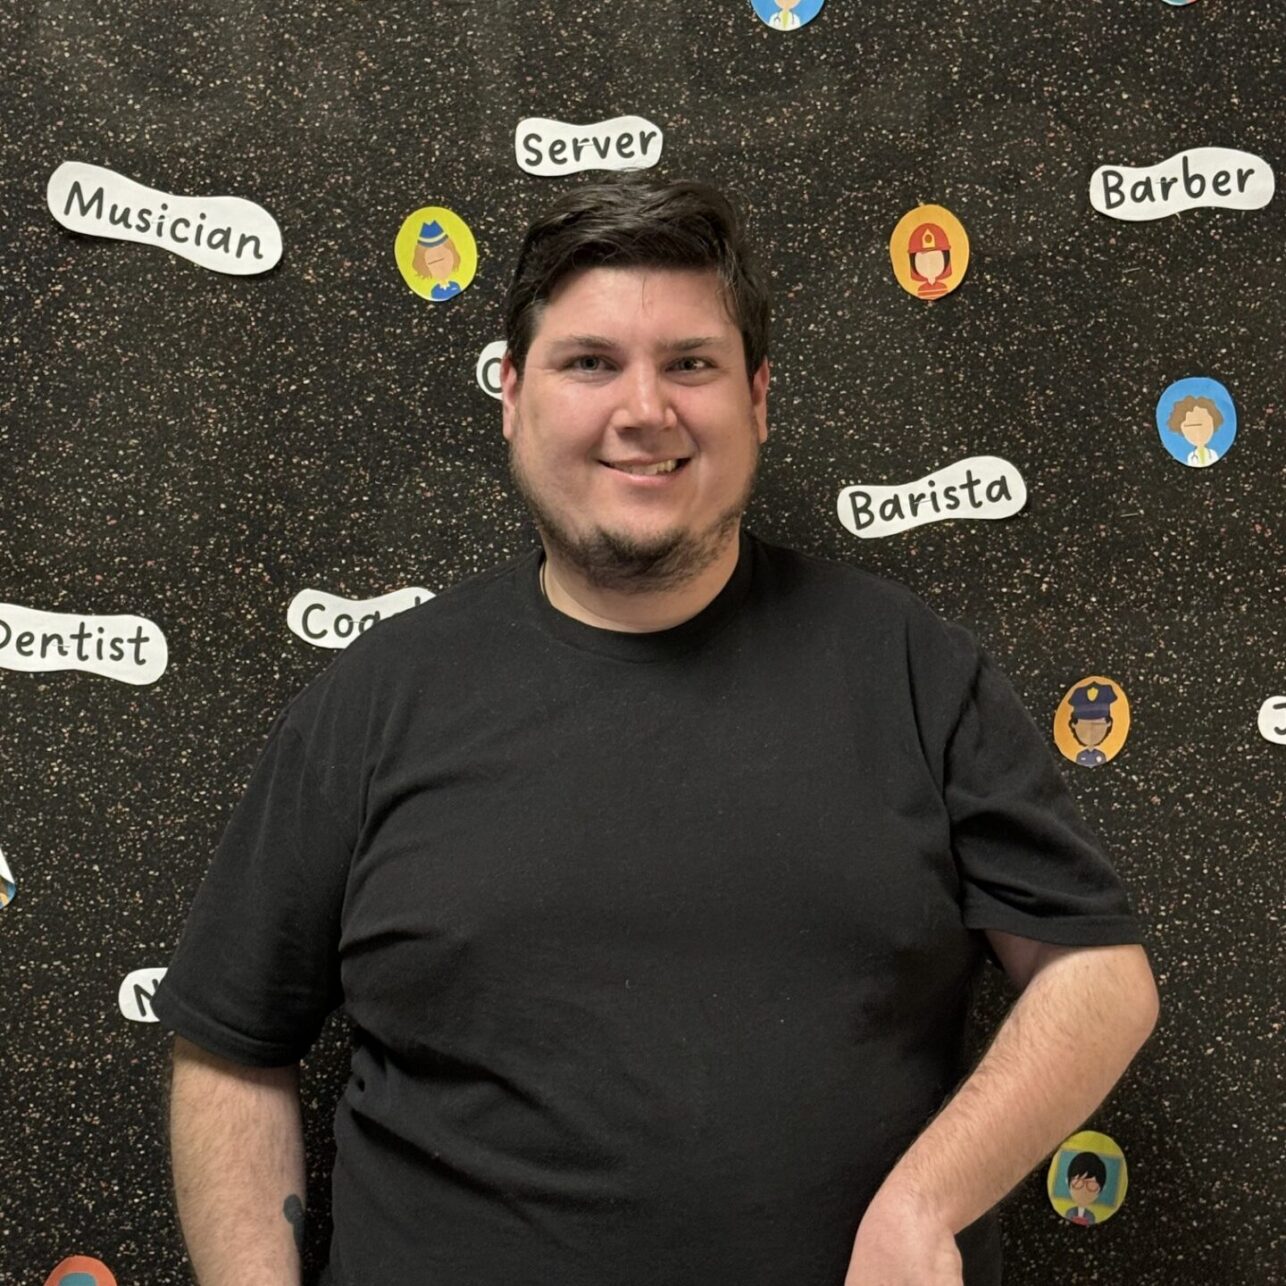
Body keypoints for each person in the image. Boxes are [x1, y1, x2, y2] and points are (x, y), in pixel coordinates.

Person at [155, 174, 1159, 1286]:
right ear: (511, 397)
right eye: (590, 363)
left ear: (759, 399)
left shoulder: (912, 670)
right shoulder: (377, 699)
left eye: (690, 363)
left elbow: (1097, 979)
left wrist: (923, 1206)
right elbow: (230, 1049)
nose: (644, 409)